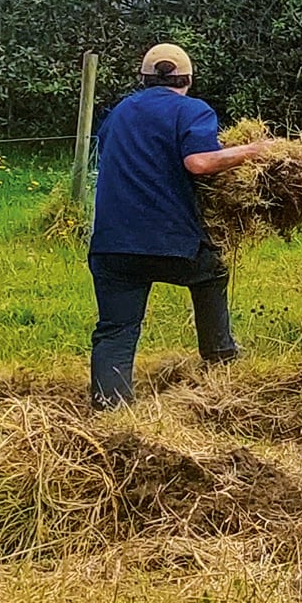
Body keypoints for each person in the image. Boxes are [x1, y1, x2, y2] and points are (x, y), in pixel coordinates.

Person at [86, 43, 283, 409]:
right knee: (211, 275)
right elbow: (198, 162)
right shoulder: (192, 110)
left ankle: (109, 408)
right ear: (188, 79)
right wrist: (255, 150)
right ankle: (220, 359)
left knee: (116, 330)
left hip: (112, 244)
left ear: (143, 79)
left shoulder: (118, 113)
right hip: (171, 242)